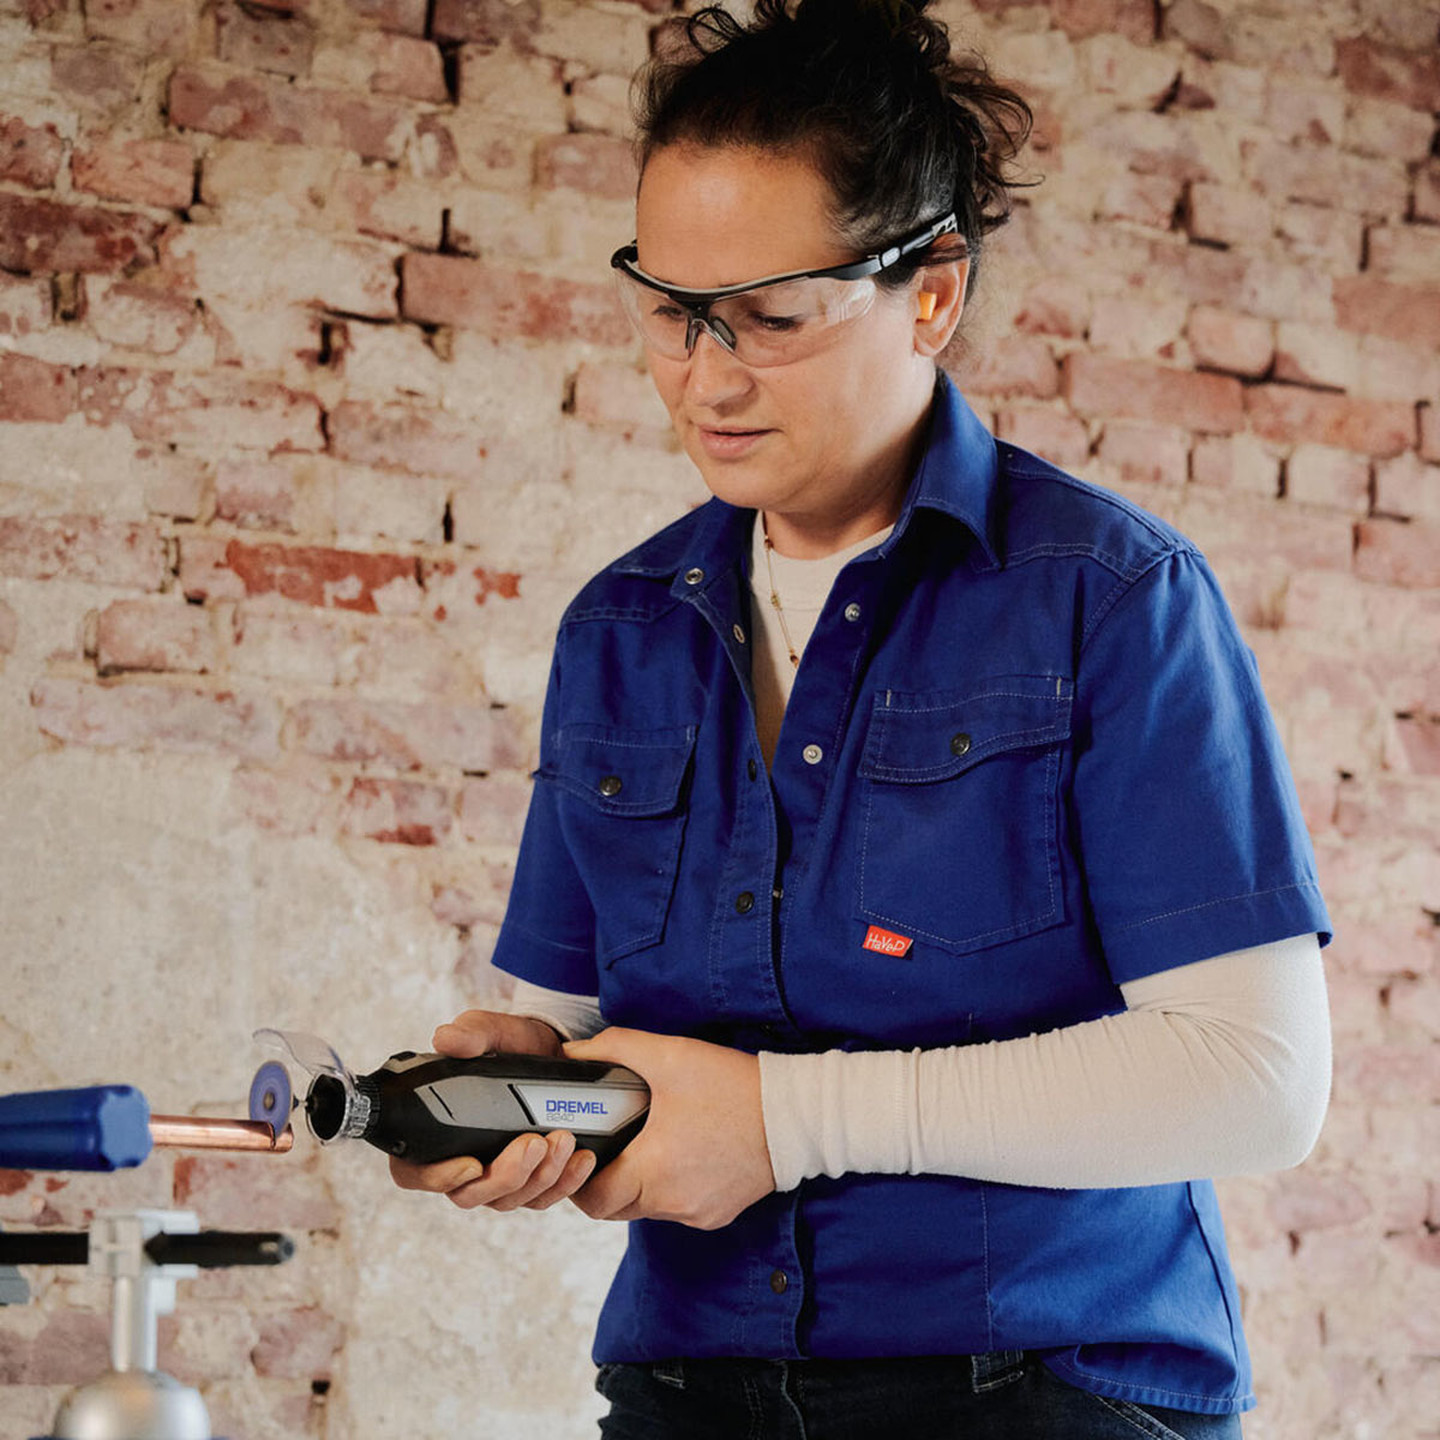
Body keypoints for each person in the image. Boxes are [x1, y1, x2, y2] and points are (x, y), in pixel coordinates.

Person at [391, 2, 1334, 1435]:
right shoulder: (618, 631)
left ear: (931, 294)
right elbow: (566, 1023)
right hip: (687, 1387)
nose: (708, 376)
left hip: (1040, 1393)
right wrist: (501, 1093)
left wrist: (785, 1123)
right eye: (670, 312)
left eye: (772, 318)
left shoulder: (1110, 599)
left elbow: (1257, 1080)